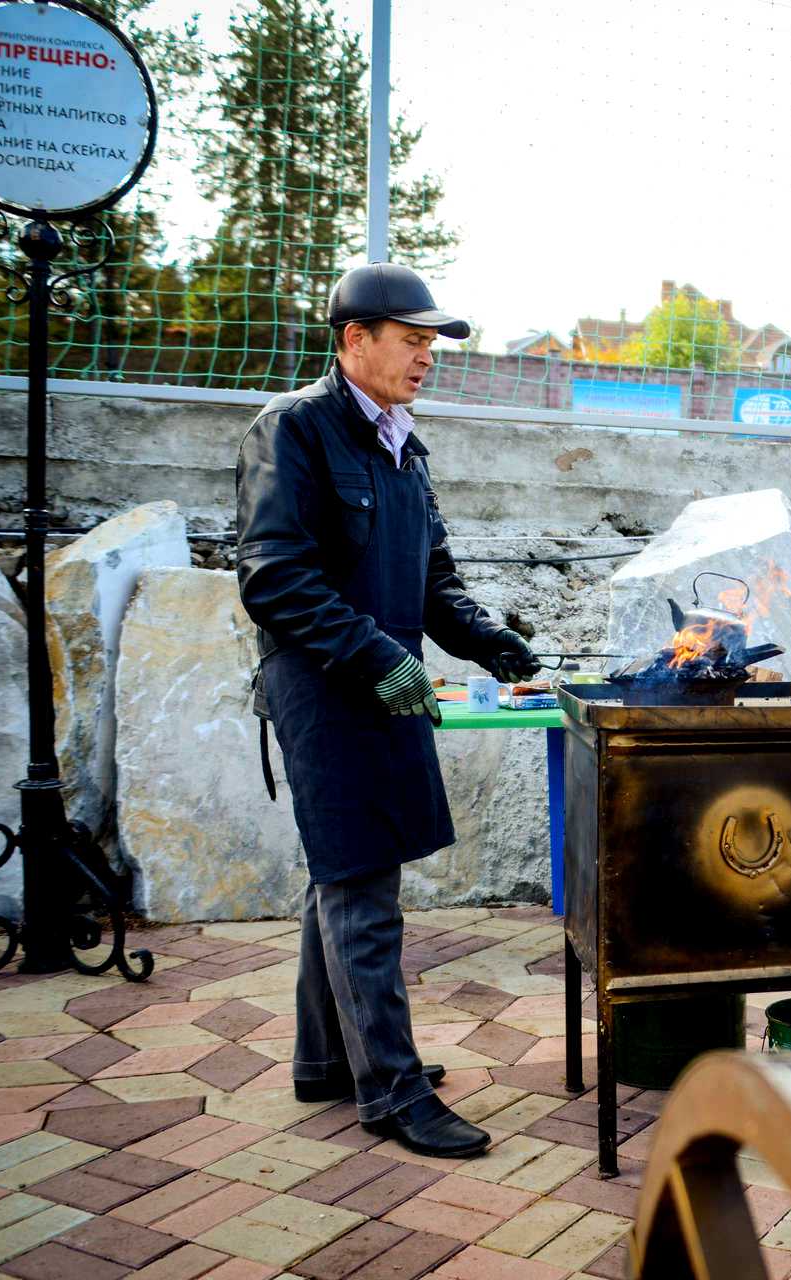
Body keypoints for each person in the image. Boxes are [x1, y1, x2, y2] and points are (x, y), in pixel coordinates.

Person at [235, 262, 542, 1157]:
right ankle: (393, 1093)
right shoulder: (293, 430)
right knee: (362, 885)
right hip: (327, 690)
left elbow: (433, 581)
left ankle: (325, 1060)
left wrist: (495, 643)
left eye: (433, 344)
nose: (427, 358)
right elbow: (275, 578)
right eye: (412, 341)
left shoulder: (403, 444)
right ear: (353, 340)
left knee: (346, 872)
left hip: (386, 682)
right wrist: (377, 657)